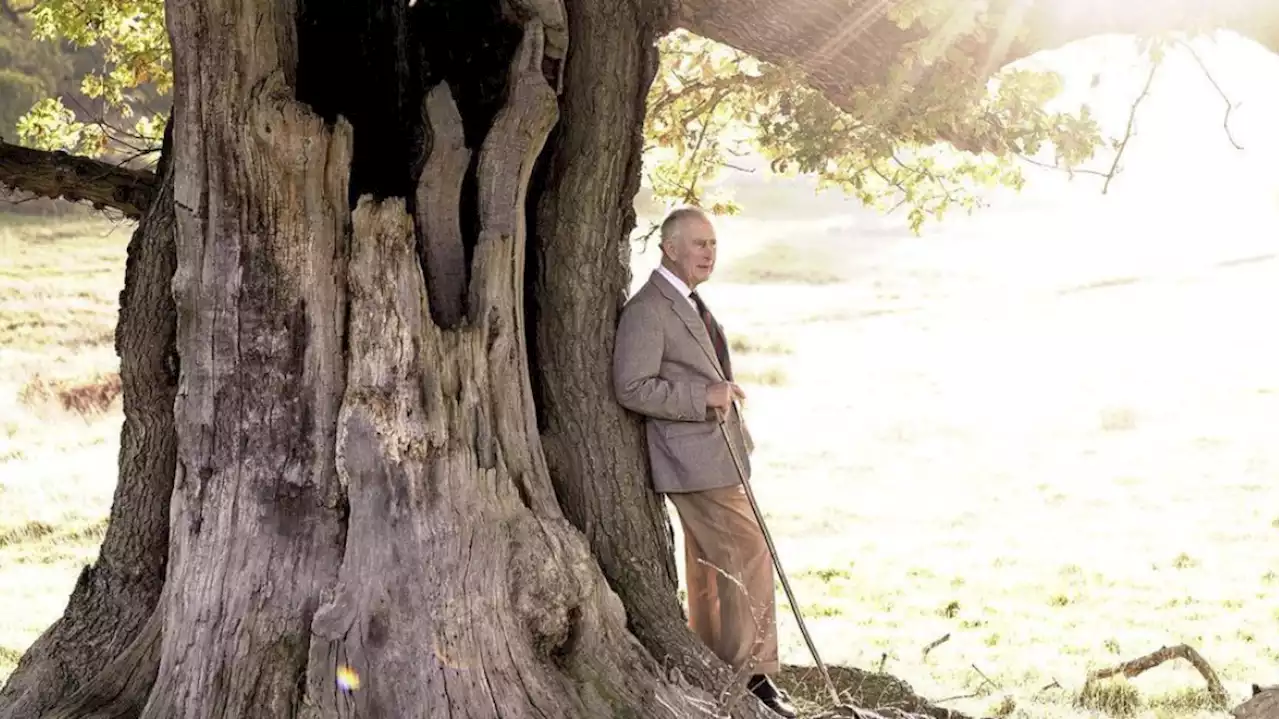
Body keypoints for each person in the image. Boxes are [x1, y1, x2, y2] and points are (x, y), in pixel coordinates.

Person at [612, 206, 797, 718]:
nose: (709, 254)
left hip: (717, 456)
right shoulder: (649, 309)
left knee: (712, 564)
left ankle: (718, 662)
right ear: (670, 248)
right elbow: (630, 386)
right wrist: (704, 395)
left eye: (713, 244)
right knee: (748, 552)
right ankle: (753, 675)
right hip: (693, 461)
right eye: (698, 244)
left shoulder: (689, 302)